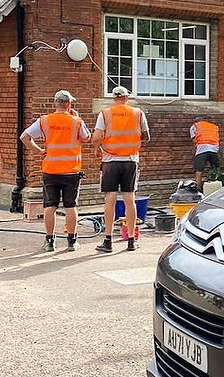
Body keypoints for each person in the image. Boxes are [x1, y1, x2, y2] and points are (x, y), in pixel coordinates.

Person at [20, 89, 90, 252]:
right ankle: (72, 242)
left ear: (55, 103)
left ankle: (50, 241)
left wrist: (38, 151)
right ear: (69, 104)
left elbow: (24, 137)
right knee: (70, 206)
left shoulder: (44, 121)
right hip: (71, 171)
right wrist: (76, 117)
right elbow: (86, 138)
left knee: (50, 206)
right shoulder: (76, 121)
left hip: (50, 170)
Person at [93, 85, 150, 253]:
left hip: (110, 161)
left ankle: (108, 240)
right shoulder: (138, 113)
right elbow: (147, 136)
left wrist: (98, 149)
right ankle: (131, 240)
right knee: (129, 199)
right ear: (127, 98)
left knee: (110, 199)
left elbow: (96, 136)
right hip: (131, 161)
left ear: (114, 98)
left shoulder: (105, 113)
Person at [190, 118, 220, 191]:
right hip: (214, 150)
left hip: (202, 150)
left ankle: (197, 190)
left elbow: (194, 140)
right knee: (217, 170)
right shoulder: (214, 126)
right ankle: (219, 188)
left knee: (198, 171)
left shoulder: (195, 126)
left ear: (196, 121)